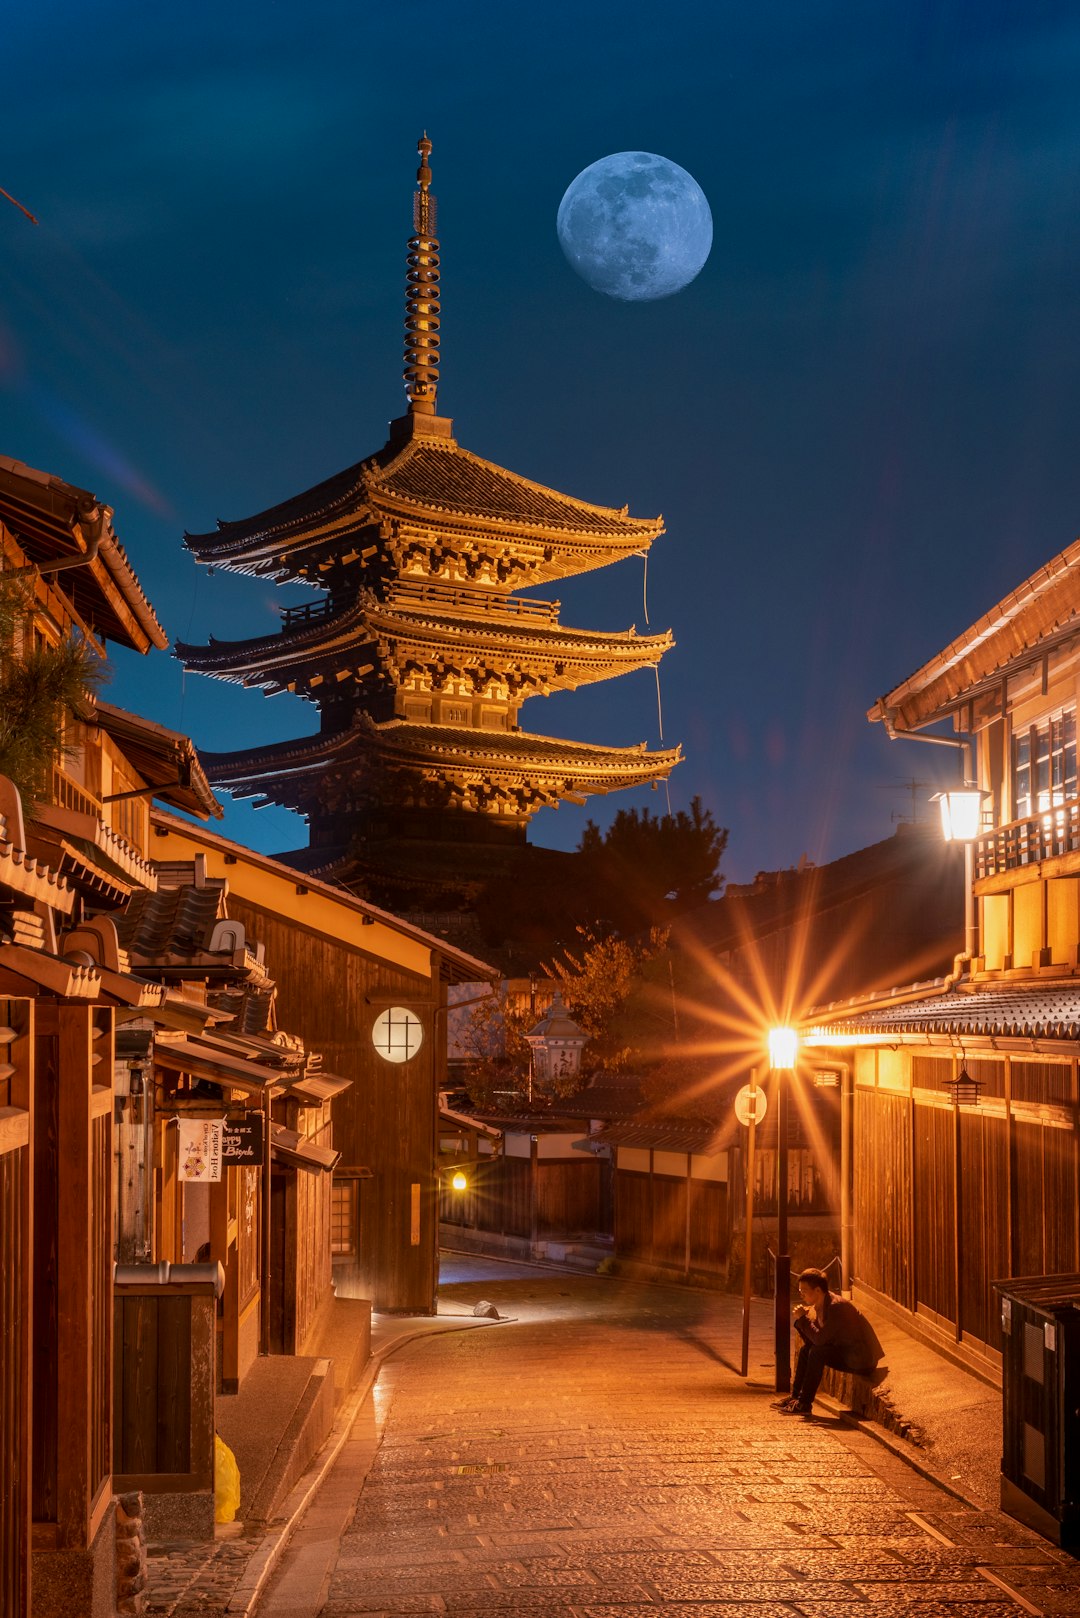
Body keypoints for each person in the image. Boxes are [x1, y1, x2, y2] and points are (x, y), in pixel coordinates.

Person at [771, 1267, 884, 1417]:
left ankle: (804, 1403)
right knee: (807, 1351)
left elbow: (819, 1340)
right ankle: (795, 1398)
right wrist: (802, 1322)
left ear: (817, 1290)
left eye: (804, 1290)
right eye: (800, 1290)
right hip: (846, 1351)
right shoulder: (820, 1305)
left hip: (862, 1358)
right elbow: (812, 1341)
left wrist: (802, 1320)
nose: (801, 1294)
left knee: (817, 1353)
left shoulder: (836, 1307)